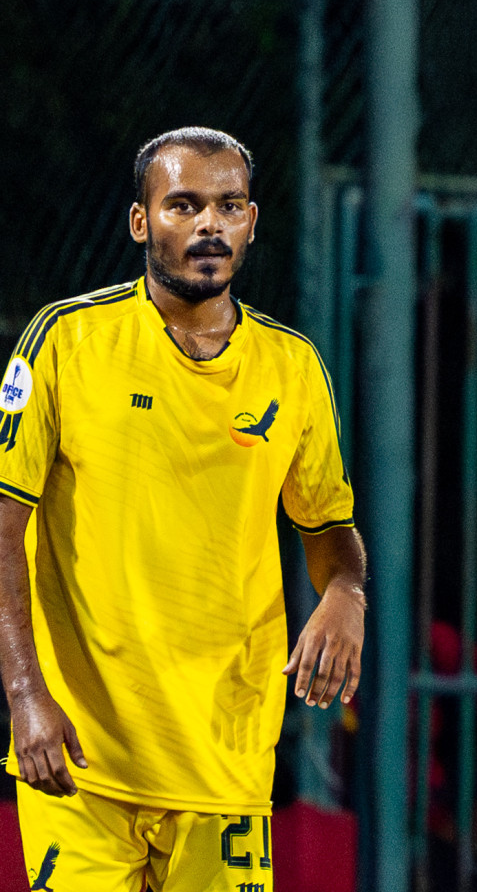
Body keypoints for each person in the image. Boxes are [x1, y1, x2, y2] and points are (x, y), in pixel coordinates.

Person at [0, 127, 366, 891]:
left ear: (252, 221)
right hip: (83, 761)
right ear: (141, 222)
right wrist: (26, 697)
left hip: (226, 761)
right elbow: (5, 528)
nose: (209, 225)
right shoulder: (67, 341)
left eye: (229, 206)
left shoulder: (292, 367)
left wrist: (345, 591)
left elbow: (329, 527)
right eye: (184, 205)